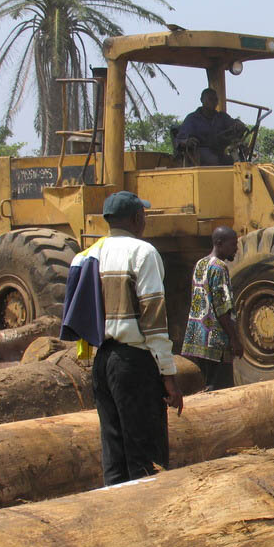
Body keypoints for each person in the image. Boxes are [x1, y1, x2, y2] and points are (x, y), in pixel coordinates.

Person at [60, 190, 183, 485]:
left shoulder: (88, 255)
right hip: (134, 362)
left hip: (103, 361)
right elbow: (154, 319)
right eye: (144, 215)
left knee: (114, 456)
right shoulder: (143, 253)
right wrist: (168, 376)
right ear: (137, 218)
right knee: (147, 459)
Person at [181, 226, 244, 390]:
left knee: (205, 388)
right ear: (219, 243)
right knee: (221, 391)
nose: (236, 248)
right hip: (216, 343)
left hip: (197, 339)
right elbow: (222, 308)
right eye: (233, 244)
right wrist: (234, 339)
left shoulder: (200, 264)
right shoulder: (219, 267)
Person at [174, 88, 248, 165]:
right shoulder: (192, 119)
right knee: (211, 158)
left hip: (220, 152)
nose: (213, 102)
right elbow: (179, 140)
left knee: (239, 157)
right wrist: (187, 141)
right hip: (201, 155)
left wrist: (238, 124)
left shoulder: (222, 117)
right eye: (210, 99)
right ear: (202, 100)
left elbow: (233, 123)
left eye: (216, 99)